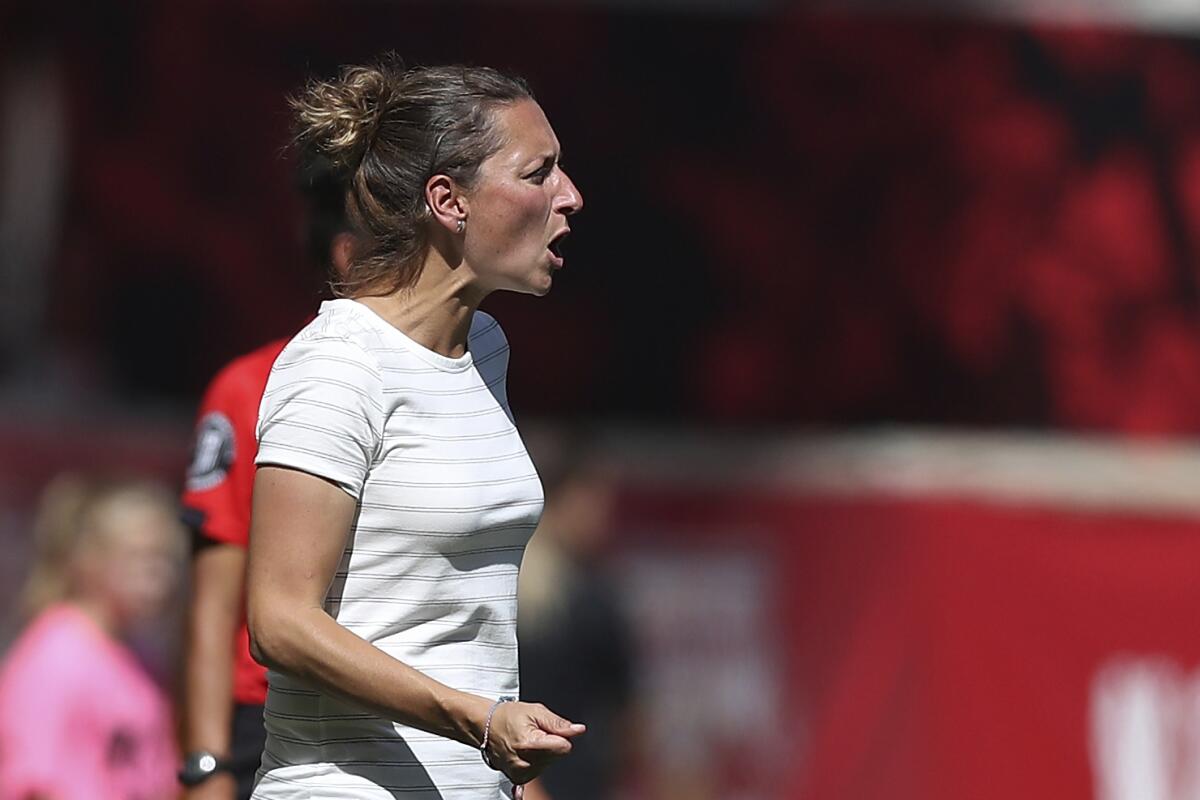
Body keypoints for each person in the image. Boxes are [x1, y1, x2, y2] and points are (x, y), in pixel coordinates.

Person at [246, 57, 585, 800]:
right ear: (448, 200)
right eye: (539, 173)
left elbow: (462, 624)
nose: (571, 196)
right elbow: (277, 620)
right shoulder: (337, 364)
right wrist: (480, 721)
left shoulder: (485, 350)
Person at [179, 152, 354, 800]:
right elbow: (212, 602)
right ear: (346, 254)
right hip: (271, 729)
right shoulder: (250, 387)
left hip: (405, 725)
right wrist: (206, 768)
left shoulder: (457, 384)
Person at [0, 475, 185, 800]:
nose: (160, 577)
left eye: (166, 559)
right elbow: (32, 781)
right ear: (88, 560)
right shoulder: (54, 654)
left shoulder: (144, 657)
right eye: (141, 559)